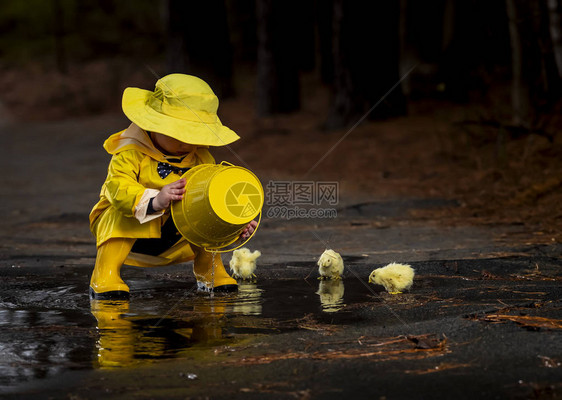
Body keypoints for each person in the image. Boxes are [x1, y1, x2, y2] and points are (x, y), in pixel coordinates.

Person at [89, 73, 256, 300]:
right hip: (131, 234)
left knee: (206, 213)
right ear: (153, 123)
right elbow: (117, 187)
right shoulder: (130, 152)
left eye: (193, 135)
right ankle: (105, 274)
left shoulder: (202, 159)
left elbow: (216, 198)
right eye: (178, 134)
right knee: (118, 212)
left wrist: (234, 224)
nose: (186, 143)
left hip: (176, 234)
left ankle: (209, 270)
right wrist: (154, 200)